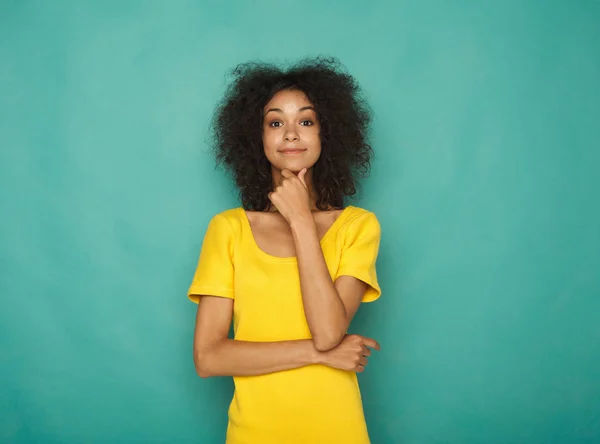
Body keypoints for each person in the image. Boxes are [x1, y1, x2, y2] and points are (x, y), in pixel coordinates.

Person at [187, 57, 382, 444]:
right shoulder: (228, 230)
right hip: (254, 433)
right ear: (256, 139)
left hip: (337, 430)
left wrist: (301, 222)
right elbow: (209, 358)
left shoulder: (357, 227)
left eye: (306, 121)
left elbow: (329, 331)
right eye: (276, 122)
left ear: (329, 134)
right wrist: (321, 355)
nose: (291, 134)